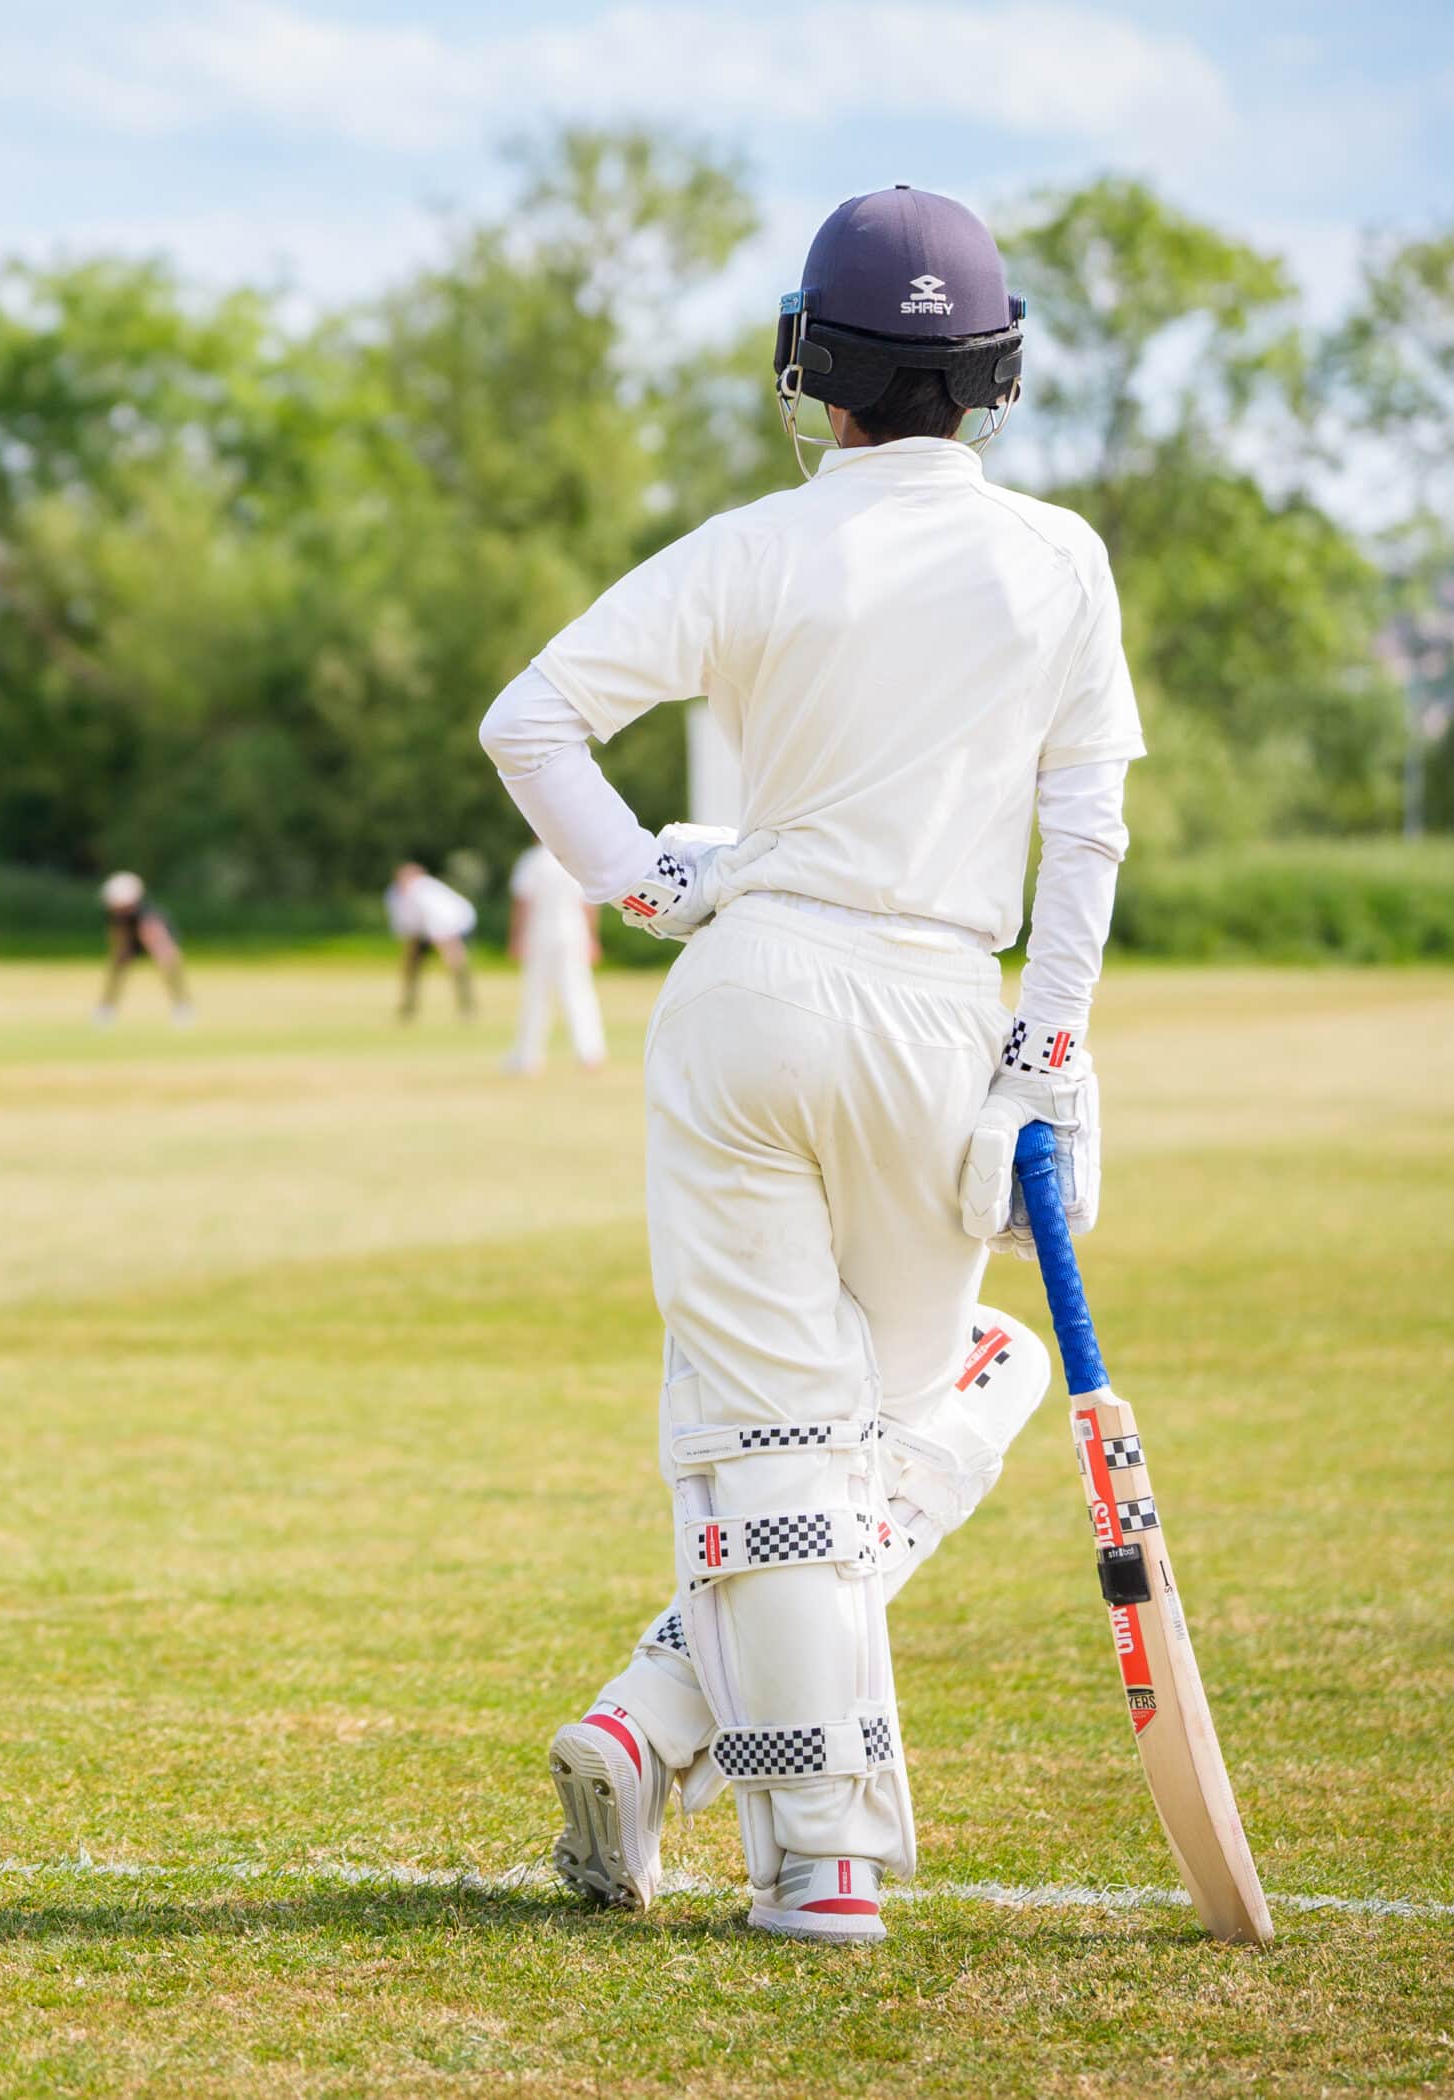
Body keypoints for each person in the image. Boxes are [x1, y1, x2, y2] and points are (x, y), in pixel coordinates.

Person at [481, 186, 1141, 1943]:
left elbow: (527, 721)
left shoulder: (761, 546)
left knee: (788, 1445)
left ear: (811, 367)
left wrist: (644, 877)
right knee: (901, 1415)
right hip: (945, 1003)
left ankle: (755, 1805)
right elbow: (1086, 833)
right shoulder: (1059, 558)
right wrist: (1045, 1060)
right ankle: (732, 1778)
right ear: (992, 374)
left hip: (754, 994)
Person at [505, 838, 605, 1074]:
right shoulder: (574, 860)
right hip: (573, 933)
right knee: (579, 991)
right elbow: (589, 903)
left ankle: (527, 1058)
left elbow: (523, 903)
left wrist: (516, 936)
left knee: (536, 994)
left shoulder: (531, 860)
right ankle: (590, 1052)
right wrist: (592, 937)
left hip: (540, 932)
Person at [95, 872, 192, 1026]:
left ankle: (181, 1006)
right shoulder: (114, 915)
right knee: (117, 969)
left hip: (156, 939)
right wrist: (122, 953)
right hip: (131, 939)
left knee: (169, 968)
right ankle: (107, 1008)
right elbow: (118, 938)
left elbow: (159, 942)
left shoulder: (147, 915)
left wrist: (163, 957)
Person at [384, 861, 476, 1020]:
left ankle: (466, 1005)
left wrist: (448, 952)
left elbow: (441, 927)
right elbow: (405, 928)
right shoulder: (393, 895)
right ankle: (408, 1006)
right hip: (424, 928)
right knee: (412, 965)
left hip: (455, 923)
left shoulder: (426, 895)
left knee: (455, 963)